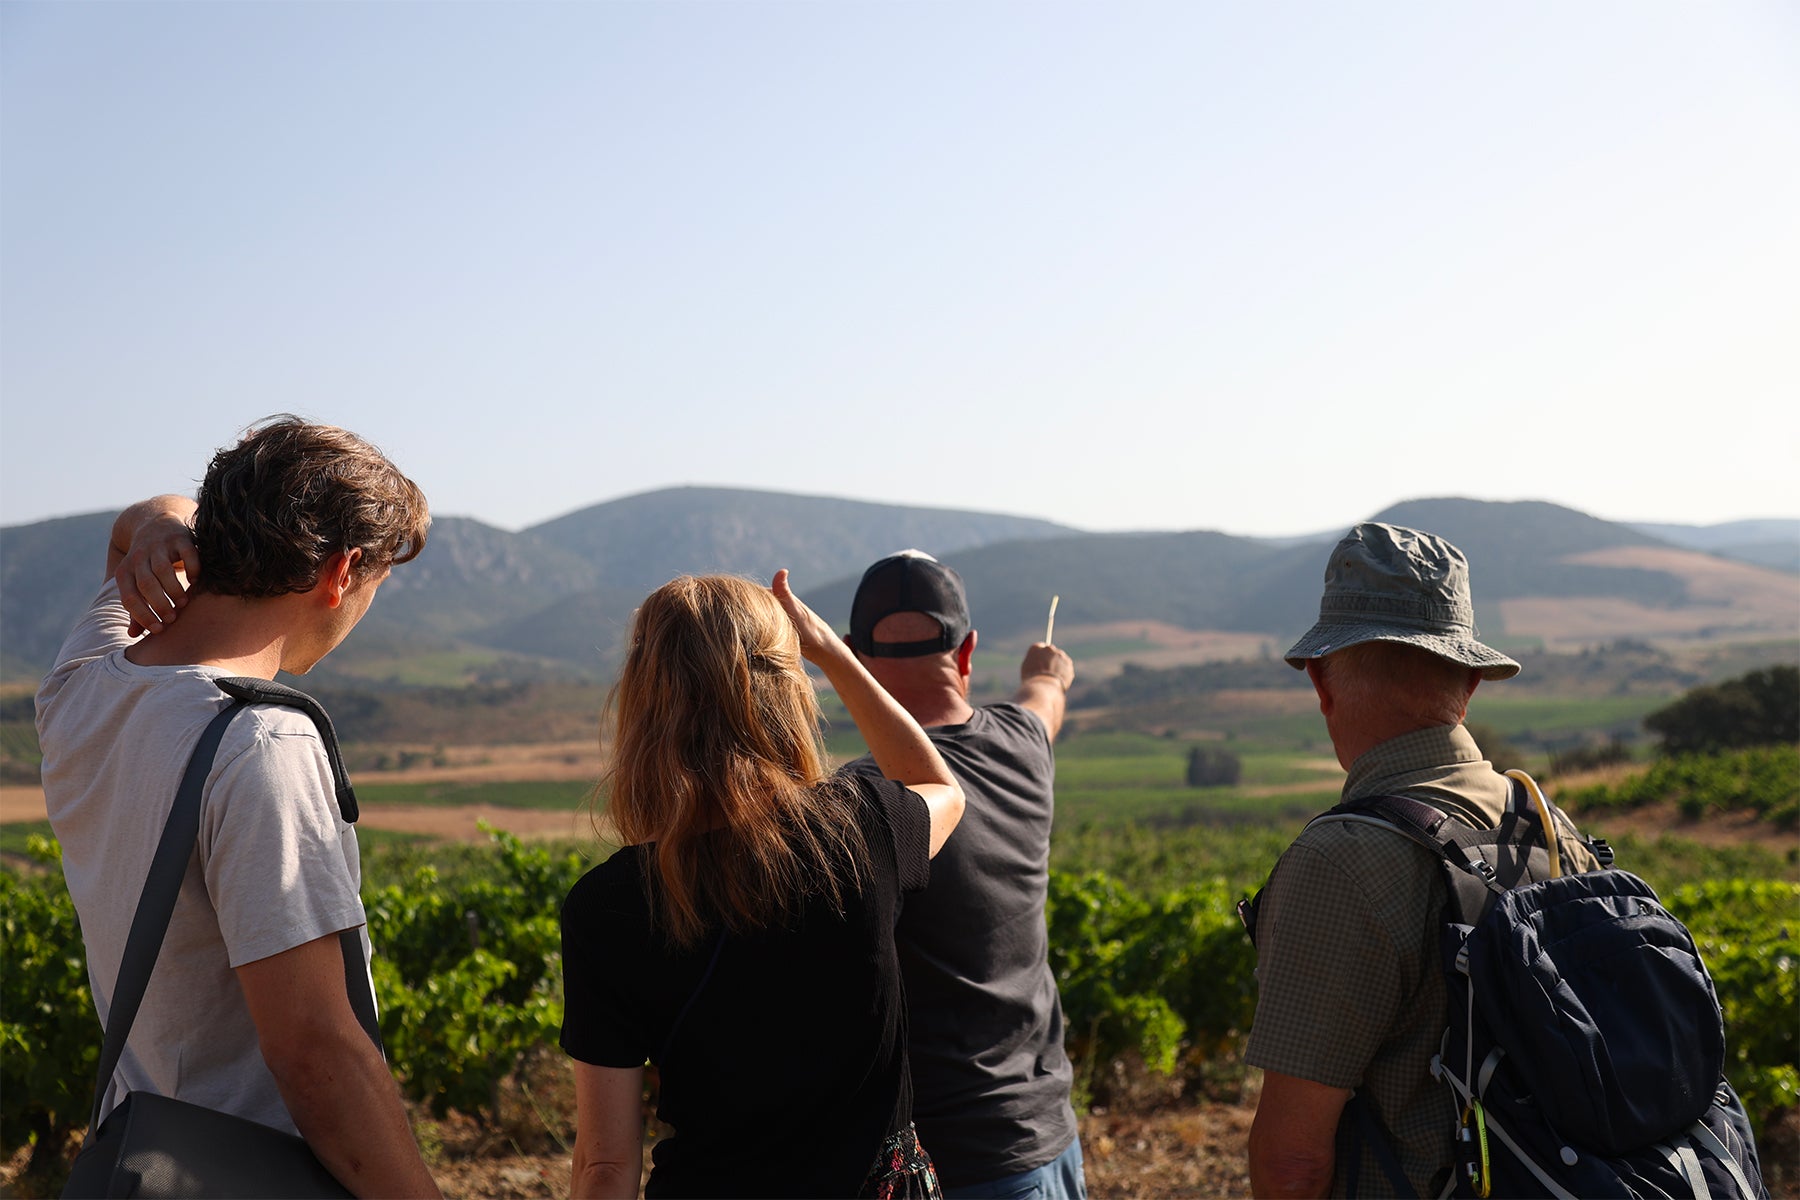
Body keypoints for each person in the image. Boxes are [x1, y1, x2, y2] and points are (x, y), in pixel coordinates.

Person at [34, 416, 440, 1198]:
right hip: (251, 1171)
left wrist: (161, 526)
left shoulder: (83, 679)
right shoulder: (260, 743)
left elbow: (132, 536)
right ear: (340, 571)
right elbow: (315, 1054)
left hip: (144, 1157)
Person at [560, 570, 967, 1198]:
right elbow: (941, 789)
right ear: (787, 694)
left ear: (642, 701)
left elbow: (606, 1166)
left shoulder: (606, 906)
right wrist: (833, 653)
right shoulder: (864, 827)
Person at [1244, 522, 1600, 1198]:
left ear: (1321, 680)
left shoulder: (1340, 864)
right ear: (1469, 684)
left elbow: (1294, 1160)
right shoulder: (1551, 827)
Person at [842, 550, 1086, 1198]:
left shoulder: (858, 802)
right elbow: (1045, 699)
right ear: (968, 650)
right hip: (1051, 1143)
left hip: (949, 1167)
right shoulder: (1024, 744)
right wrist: (1049, 672)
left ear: (854, 661)